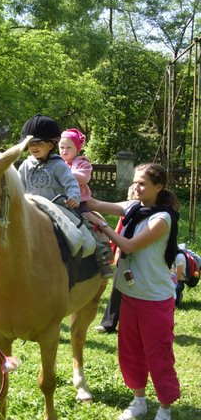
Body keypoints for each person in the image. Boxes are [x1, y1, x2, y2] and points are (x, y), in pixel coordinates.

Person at [86, 163, 180, 420]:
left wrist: (103, 227)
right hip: (130, 294)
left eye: (142, 184)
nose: (136, 188)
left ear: (159, 187)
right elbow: (94, 202)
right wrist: (76, 184)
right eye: (135, 182)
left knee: (158, 353)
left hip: (155, 298)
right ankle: (139, 401)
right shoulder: (133, 208)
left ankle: (165, 407)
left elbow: (128, 245)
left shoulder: (162, 218)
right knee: (130, 351)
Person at [18, 113, 112, 279]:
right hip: (31, 208)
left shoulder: (58, 165)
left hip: (58, 207)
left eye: (38, 143)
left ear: (52, 144)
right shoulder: (26, 165)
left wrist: (74, 197)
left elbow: (71, 183)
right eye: (30, 143)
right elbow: (20, 185)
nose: (33, 147)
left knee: (83, 229)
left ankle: (101, 255)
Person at [59, 128, 113, 278]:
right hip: (61, 201)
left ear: (77, 149)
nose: (64, 151)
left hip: (79, 203)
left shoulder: (82, 163)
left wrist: (61, 173)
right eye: (62, 147)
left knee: (86, 226)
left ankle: (101, 257)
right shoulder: (57, 163)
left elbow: (83, 177)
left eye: (69, 147)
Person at [95, 184, 137, 334]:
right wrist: (115, 252)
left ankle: (132, 324)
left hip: (137, 256)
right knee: (117, 289)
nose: (132, 198)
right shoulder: (125, 213)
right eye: (131, 195)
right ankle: (109, 323)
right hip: (124, 256)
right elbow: (119, 232)